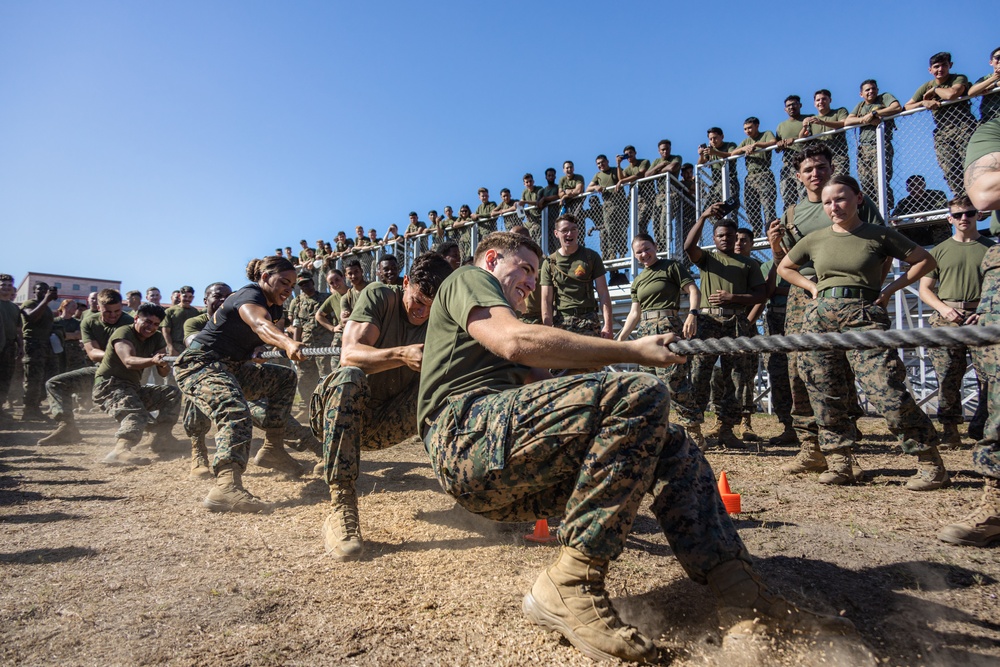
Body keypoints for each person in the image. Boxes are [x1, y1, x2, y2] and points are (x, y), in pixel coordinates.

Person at [418, 230, 853, 663]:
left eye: (535, 274)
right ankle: (569, 583)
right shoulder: (470, 279)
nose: (532, 283)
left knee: (668, 440)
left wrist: (626, 420)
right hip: (465, 434)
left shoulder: (504, 311)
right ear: (492, 258)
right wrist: (632, 352)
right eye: (526, 269)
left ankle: (739, 591)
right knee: (637, 392)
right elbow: (513, 341)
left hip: (505, 461)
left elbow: (548, 391)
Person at [778, 175, 948, 490]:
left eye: (840, 199)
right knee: (823, 389)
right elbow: (784, 267)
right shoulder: (815, 238)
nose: (834, 206)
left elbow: (924, 260)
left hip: (864, 315)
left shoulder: (879, 234)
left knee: (885, 387)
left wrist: (889, 290)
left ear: (858, 199)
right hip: (820, 318)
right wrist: (812, 287)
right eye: (828, 202)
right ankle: (840, 461)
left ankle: (929, 461)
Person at [312, 253, 453, 561]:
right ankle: (341, 508)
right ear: (405, 283)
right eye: (417, 300)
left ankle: (466, 489)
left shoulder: (441, 317)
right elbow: (349, 356)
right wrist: (402, 354)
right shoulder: (380, 295)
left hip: (383, 423)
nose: (421, 311)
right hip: (337, 411)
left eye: (431, 305)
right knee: (348, 376)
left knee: (451, 383)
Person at [771, 143, 883, 475]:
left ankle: (843, 446)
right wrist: (776, 245)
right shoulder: (792, 213)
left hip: (847, 294)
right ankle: (810, 448)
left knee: (839, 367)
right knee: (798, 369)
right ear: (798, 176)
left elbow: (882, 245)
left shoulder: (852, 201)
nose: (816, 174)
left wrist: (876, 288)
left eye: (821, 167)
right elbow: (785, 264)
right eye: (808, 169)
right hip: (802, 297)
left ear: (831, 167)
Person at [173, 255, 306, 513]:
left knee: (284, 378)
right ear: (265, 277)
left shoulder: (275, 306)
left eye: (293, 284)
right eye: (284, 282)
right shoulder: (249, 295)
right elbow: (259, 323)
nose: (289, 289)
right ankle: (225, 486)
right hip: (201, 364)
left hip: (233, 367)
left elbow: (260, 333)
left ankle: (273, 448)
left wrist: (259, 346)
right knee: (233, 408)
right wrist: (288, 342)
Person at [684, 208, 765, 448]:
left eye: (729, 236)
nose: (724, 239)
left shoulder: (750, 263)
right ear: (714, 237)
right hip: (708, 322)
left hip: (736, 322)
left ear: (734, 237)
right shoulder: (708, 259)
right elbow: (689, 246)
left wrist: (734, 297)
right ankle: (694, 430)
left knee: (735, 377)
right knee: (700, 375)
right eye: (719, 236)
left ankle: (727, 430)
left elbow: (761, 294)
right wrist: (701, 217)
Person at [918, 196, 994, 446]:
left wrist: (983, 311)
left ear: (978, 216)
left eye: (970, 213)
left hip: (983, 321)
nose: (964, 218)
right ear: (949, 218)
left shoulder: (992, 250)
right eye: (958, 215)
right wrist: (944, 309)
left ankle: (983, 426)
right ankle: (950, 430)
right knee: (947, 377)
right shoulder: (938, 251)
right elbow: (925, 289)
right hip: (947, 320)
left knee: (989, 378)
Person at [616, 233, 700, 433]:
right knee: (648, 383)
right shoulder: (637, 281)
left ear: (655, 246)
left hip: (668, 328)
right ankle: (654, 431)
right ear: (634, 255)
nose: (644, 254)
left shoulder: (671, 267)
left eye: (647, 249)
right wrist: (620, 339)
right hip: (645, 331)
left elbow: (694, 290)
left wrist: (692, 314)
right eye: (639, 252)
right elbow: (634, 313)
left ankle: (693, 429)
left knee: (674, 382)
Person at [37, 289, 135, 446]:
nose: (113, 315)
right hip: (100, 371)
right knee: (55, 384)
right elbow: (93, 353)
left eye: (117, 311)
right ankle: (67, 428)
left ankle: (158, 434)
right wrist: (117, 356)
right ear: (99, 307)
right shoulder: (89, 322)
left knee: (136, 407)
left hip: (127, 375)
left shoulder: (129, 322)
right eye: (107, 311)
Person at [94, 303, 182, 466]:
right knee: (135, 412)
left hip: (133, 387)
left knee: (172, 393)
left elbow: (163, 372)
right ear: (136, 318)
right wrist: (153, 360)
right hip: (109, 387)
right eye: (147, 322)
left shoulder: (156, 338)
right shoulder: (124, 332)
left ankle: (160, 439)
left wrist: (162, 364)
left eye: (156, 324)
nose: (151, 327)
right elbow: (128, 361)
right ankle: (120, 450)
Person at [905, 51, 977, 196]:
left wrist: (936, 90)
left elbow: (951, 94)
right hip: (943, 131)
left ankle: (976, 195)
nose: (940, 69)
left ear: (950, 65)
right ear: (929, 70)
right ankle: (962, 197)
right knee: (950, 169)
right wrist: (924, 102)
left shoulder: (958, 78)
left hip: (963, 126)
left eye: (944, 65)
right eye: (936, 66)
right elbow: (906, 107)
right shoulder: (926, 86)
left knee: (970, 163)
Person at [540, 214, 614, 342]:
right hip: (562, 321)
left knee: (591, 361)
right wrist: (547, 329)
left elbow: (603, 293)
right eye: (565, 230)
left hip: (589, 319)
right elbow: (546, 299)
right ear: (556, 233)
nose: (570, 234)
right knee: (565, 362)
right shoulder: (550, 262)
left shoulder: (591, 257)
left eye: (573, 229)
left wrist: (608, 325)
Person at [844, 79, 903, 209]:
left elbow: (897, 107)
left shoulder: (884, 98)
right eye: (867, 90)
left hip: (880, 145)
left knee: (880, 181)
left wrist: (874, 113)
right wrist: (865, 120)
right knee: (866, 183)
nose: (871, 91)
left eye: (873, 89)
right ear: (861, 94)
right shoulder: (860, 106)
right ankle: (872, 210)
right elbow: (847, 121)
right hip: (863, 149)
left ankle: (885, 210)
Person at [761, 224, 795, 445]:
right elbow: (768, 290)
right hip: (775, 320)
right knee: (779, 373)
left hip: (798, 318)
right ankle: (789, 426)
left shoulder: (804, 259)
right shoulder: (766, 266)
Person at [285, 272, 330, 407]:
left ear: (313, 282)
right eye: (301, 285)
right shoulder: (297, 302)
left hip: (325, 344)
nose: (305, 286)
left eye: (307, 283)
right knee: (304, 375)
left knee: (325, 374)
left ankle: (326, 404)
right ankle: (306, 405)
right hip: (306, 344)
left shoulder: (326, 298)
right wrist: (295, 345)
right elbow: (296, 325)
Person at [730, 117, 778, 230]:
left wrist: (756, 145)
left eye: (750, 127)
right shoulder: (746, 141)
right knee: (750, 206)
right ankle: (756, 231)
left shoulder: (766, 134)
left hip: (764, 173)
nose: (748, 131)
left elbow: (773, 142)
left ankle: (770, 229)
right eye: (745, 129)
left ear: (757, 126)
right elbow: (733, 153)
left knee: (767, 205)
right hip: (750, 176)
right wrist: (745, 148)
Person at [19, 281, 58, 421]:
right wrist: (46, 300)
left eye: (46, 290)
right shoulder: (29, 303)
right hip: (33, 344)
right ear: (34, 291)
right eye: (40, 289)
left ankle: (35, 407)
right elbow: (31, 317)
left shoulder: (46, 308)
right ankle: (28, 410)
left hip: (45, 345)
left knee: (43, 377)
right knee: (33, 378)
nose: (44, 292)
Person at [800, 89, 850, 175]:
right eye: (818, 100)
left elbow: (843, 123)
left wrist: (822, 122)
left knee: (838, 182)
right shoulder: (812, 119)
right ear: (814, 103)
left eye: (824, 99)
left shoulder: (839, 112)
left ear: (830, 100)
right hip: (819, 159)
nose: (821, 102)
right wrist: (804, 127)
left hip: (837, 156)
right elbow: (802, 138)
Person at [586, 154, 627, 259]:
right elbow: (587, 189)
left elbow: (622, 178)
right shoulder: (598, 175)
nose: (601, 165)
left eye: (602, 162)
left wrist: (618, 165)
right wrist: (596, 186)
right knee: (610, 229)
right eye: (598, 163)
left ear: (607, 161)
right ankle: (612, 252)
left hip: (621, 203)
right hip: (608, 205)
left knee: (622, 229)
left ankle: (622, 252)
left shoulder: (615, 170)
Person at [644, 139, 683, 243]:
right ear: (659, 151)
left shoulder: (676, 157)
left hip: (671, 193)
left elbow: (672, 167)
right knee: (655, 222)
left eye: (667, 149)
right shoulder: (657, 161)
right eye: (663, 150)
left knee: (664, 220)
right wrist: (659, 166)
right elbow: (647, 175)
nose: (665, 152)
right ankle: (659, 245)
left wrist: (657, 172)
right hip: (659, 195)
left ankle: (666, 244)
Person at [776, 95, 809, 207]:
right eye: (788, 106)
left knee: (804, 193)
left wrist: (794, 139)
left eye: (794, 104)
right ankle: (790, 222)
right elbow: (777, 149)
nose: (791, 107)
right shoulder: (781, 126)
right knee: (787, 195)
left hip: (805, 160)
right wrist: (779, 144)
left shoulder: (808, 119)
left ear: (800, 105)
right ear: (785, 109)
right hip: (788, 164)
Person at [315, 269, 349, 370]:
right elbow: (319, 315)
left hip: (358, 333)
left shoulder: (356, 292)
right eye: (331, 283)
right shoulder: (333, 298)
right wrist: (333, 328)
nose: (335, 284)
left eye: (337, 280)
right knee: (336, 367)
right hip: (342, 335)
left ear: (343, 277)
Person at [0, 274, 23, 422]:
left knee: (5, 379)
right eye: (3, 285)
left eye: (9, 285)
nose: (6, 288)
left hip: (9, 347)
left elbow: (18, 329)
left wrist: (21, 346)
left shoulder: (14, 307)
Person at [969, 46, 1000, 123]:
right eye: (998, 57)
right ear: (991, 62)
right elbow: (971, 92)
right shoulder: (986, 78)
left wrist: (993, 85)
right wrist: (994, 78)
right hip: (989, 118)